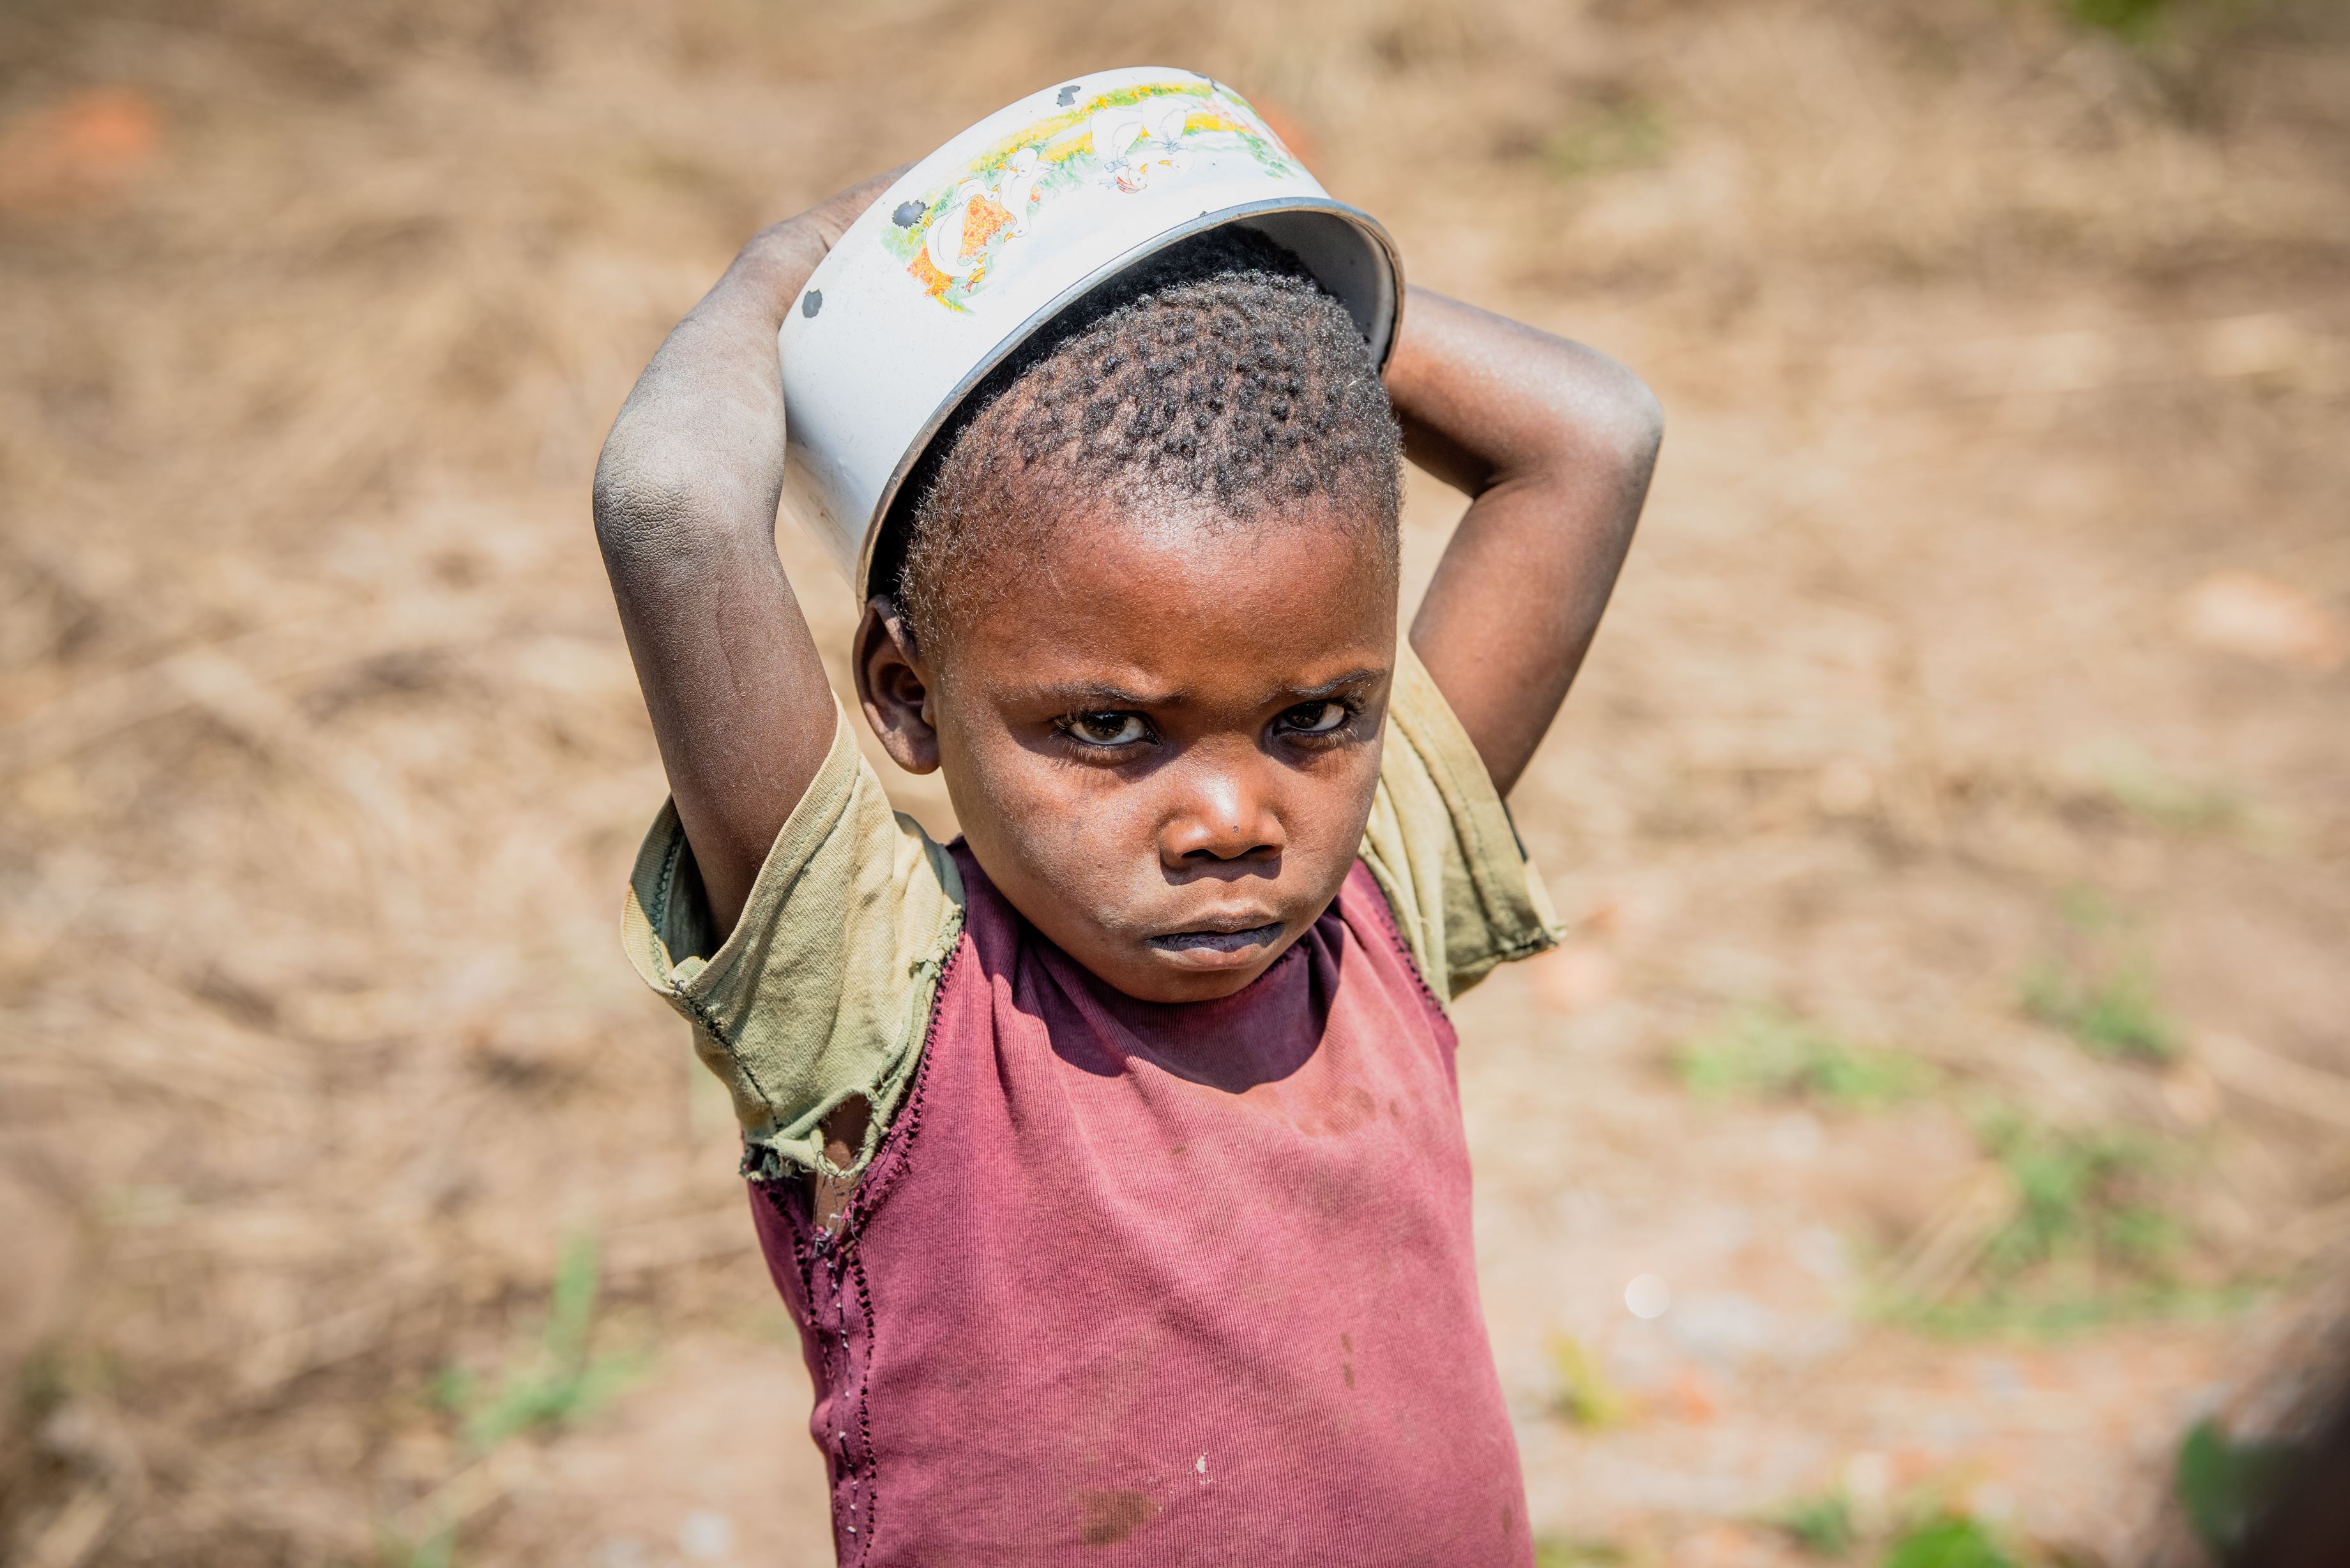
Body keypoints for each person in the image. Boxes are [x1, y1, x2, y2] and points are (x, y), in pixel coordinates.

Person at [593, 167, 1662, 1565]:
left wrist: (1181, 275)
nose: (1231, 815)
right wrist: (794, 266)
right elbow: (671, 503)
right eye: (1107, 728)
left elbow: (1593, 434)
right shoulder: (885, 1004)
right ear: (907, 695)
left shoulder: (1373, 904)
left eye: (1313, 719)